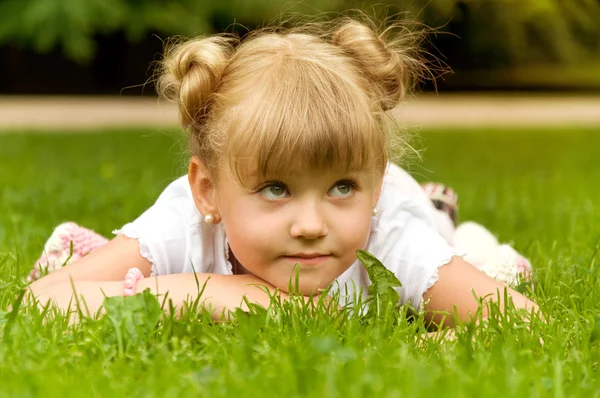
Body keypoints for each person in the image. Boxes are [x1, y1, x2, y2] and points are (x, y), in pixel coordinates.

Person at [26, 16, 537, 328]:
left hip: (409, 209)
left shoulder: (386, 231)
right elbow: (40, 305)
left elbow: (521, 322)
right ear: (208, 192)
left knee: (451, 239)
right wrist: (204, 293)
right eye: (275, 188)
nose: (311, 224)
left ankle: (440, 209)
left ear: (373, 185)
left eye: (342, 186)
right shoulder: (184, 221)